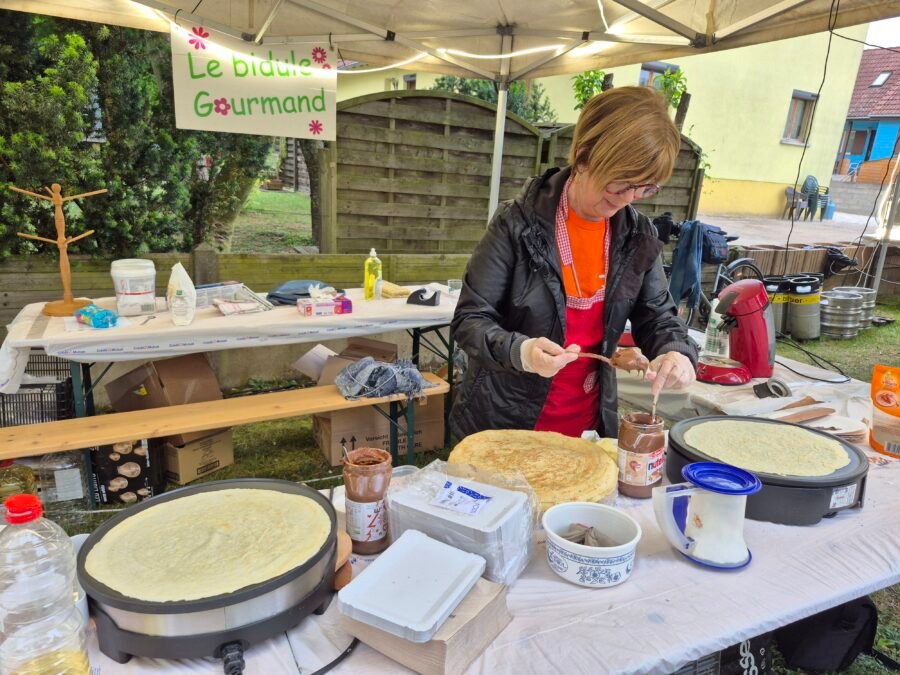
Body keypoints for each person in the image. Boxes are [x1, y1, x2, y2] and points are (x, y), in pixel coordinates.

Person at [450, 86, 697, 440]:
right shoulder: (516, 224)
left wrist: (676, 353)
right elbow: (470, 320)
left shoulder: (635, 234)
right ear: (583, 158)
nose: (627, 199)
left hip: (587, 425)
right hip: (506, 421)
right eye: (620, 184)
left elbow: (658, 316)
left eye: (643, 188)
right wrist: (522, 351)